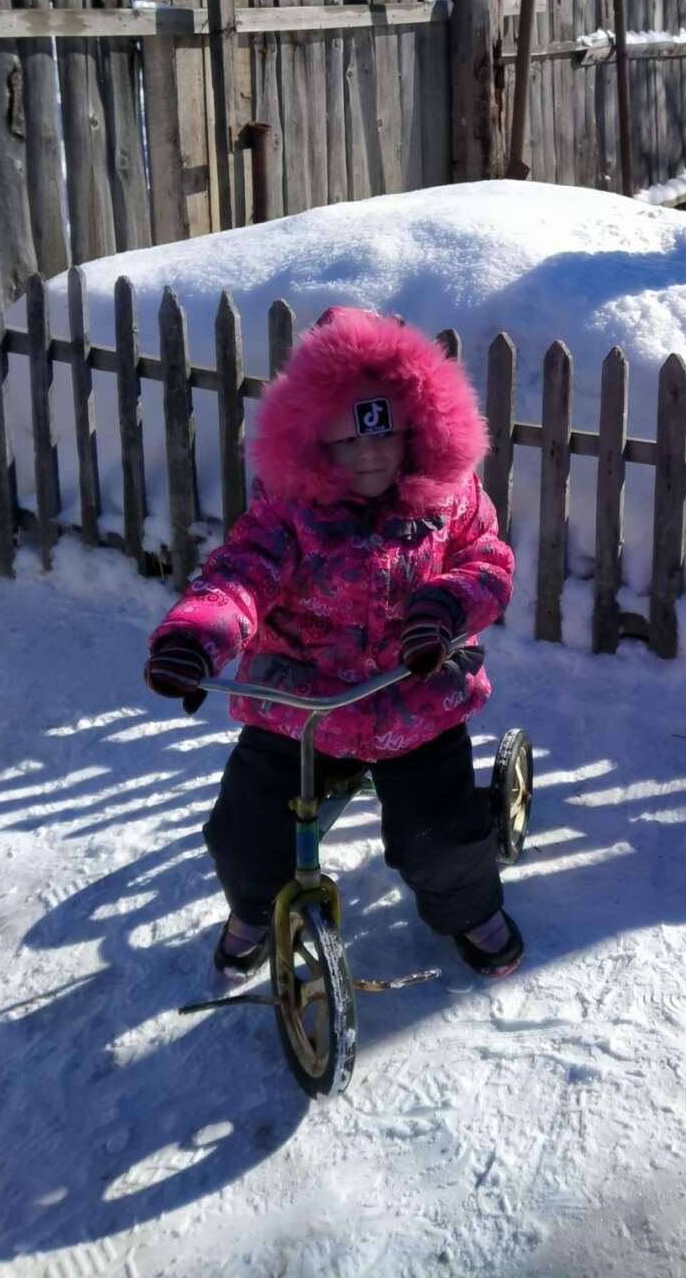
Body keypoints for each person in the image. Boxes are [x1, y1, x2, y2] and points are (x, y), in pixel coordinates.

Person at [142, 305, 521, 980]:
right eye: (347, 441)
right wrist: (199, 637)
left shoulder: (448, 498)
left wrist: (443, 607)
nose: (370, 453)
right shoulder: (288, 514)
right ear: (312, 441)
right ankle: (255, 907)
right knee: (245, 832)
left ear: (419, 429)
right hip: (301, 705)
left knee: (443, 836)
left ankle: (469, 904)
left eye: (387, 434)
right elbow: (240, 576)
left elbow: (486, 561)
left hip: (414, 695)